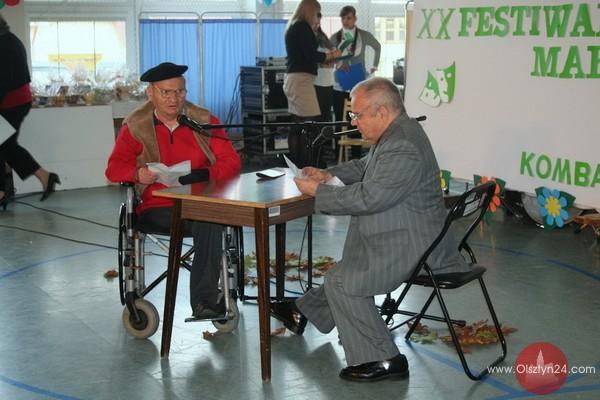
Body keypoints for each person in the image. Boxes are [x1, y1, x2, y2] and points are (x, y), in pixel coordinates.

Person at [293, 78, 471, 382]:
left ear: (382, 112)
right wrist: (327, 174)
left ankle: (384, 358)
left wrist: (318, 192)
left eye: (358, 115)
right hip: (407, 231)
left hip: (416, 246)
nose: (353, 121)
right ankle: (305, 312)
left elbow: (370, 197)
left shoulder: (402, 145)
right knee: (347, 267)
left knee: (341, 281)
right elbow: (366, 168)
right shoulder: (399, 132)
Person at [105, 62, 241, 319]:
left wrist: (206, 173)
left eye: (179, 92)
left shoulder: (203, 121)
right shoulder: (136, 125)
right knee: (206, 219)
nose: (173, 98)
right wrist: (138, 174)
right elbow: (113, 168)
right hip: (159, 207)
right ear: (151, 94)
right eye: (166, 92)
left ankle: (204, 303)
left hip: (200, 202)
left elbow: (231, 161)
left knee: (210, 220)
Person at [0, 14, 60, 209]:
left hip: (12, 102)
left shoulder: (5, 44)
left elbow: (4, 82)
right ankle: (45, 176)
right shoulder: (9, 39)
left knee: (3, 144)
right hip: (16, 100)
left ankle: (1, 193)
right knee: (6, 145)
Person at [283, 0, 341, 168]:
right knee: (310, 124)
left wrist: (323, 61)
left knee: (297, 125)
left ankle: (298, 165)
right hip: (301, 80)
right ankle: (306, 165)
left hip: (295, 78)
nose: (317, 17)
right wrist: (330, 56)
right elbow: (310, 54)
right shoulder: (302, 27)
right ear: (310, 11)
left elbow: (303, 55)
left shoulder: (294, 26)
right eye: (317, 13)